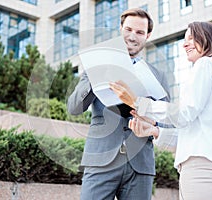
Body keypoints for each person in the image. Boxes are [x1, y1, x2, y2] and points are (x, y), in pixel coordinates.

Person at [110, 21, 212, 200]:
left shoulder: (205, 64)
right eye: (184, 39)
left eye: (191, 37)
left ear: (208, 39)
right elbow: (198, 132)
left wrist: (137, 102)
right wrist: (155, 131)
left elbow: (183, 114)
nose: (185, 44)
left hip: (205, 173)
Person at [67, 8, 170, 200]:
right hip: (100, 160)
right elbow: (74, 108)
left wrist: (148, 119)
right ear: (120, 29)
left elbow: (167, 120)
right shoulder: (96, 64)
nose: (132, 36)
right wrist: (95, 74)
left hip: (140, 165)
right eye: (128, 29)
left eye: (139, 32)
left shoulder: (158, 76)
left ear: (147, 36)